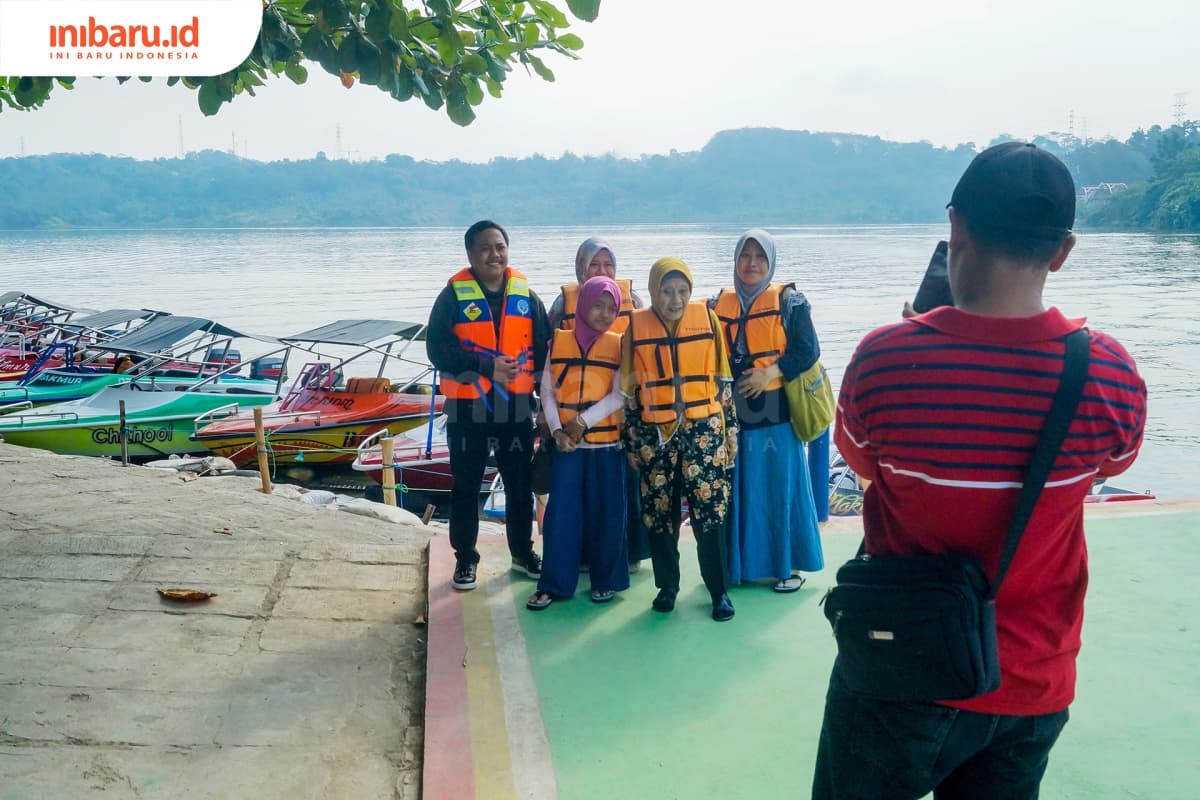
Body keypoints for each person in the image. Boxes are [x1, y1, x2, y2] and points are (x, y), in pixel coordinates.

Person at [813, 142, 1147, 799]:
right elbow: (1111, 464)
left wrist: (920, 350)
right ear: (1061, 251)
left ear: (955, 229)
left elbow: (864, 464)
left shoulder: (884, 359)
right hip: (1032, 685)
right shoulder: (1111, 376)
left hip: (897, 669)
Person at [426, 220, 551, 592]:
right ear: (470, 254)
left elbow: (544, 350)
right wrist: (485, 366)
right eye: (485, 248)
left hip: (515, 409)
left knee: (518, 485)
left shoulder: (527, 297)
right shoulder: (452, 297)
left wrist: (546, 407)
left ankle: (522, 552)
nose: (494, 254)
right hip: (468, 412)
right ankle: (465, 559)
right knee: (465, 487)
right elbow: (437, 349)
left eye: (500, 246)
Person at [622, 257, 738, 622]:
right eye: (667, 291)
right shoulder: (634, 330)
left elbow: (724, 383)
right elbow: (628, 394)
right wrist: (633, 441)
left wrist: (730, 430)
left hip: (704, 432)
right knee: (660, 516)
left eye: (682, 291)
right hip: (656, 435)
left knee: (710, 513)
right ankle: (667, 587)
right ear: (654, 291)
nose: (675, 299)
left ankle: (718, 591)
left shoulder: (709, 321)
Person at [712, 229, 824, 593]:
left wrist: (768, 374)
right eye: (746, 255)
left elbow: (807, 351)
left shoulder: (791, 302)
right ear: (736, 260)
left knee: (779, 489)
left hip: (776, 414)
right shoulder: (717, 304)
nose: (752, 264)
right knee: (739, 490)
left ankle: (786, 568)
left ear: (771, 262)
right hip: (734, 417)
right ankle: (739, 567)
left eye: (760, 257)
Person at [548, 237, 651, 571]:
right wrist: (554, 424)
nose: (601, 271)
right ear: (581, 267)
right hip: (572, 422)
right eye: (594, 265)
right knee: (579, 497)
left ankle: (628, 554)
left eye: (608, 265)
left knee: (624, 490)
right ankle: (579, 558)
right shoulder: (561, 306)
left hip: (623, 413)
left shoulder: (632, 301)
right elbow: (548, 369)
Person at [526, 276, 629, 610]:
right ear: (583, 304)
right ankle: (554, 583)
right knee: (561, 516)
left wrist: (582, 422)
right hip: (567, 446)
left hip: (606, 447)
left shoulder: (619, 345)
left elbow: (621, 394)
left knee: (608, 515)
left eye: (611, 308)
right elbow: (547, 391)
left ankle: (605, 580)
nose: (603, 313)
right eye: (597, 305)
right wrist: (557, 431)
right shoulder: (558, 343)